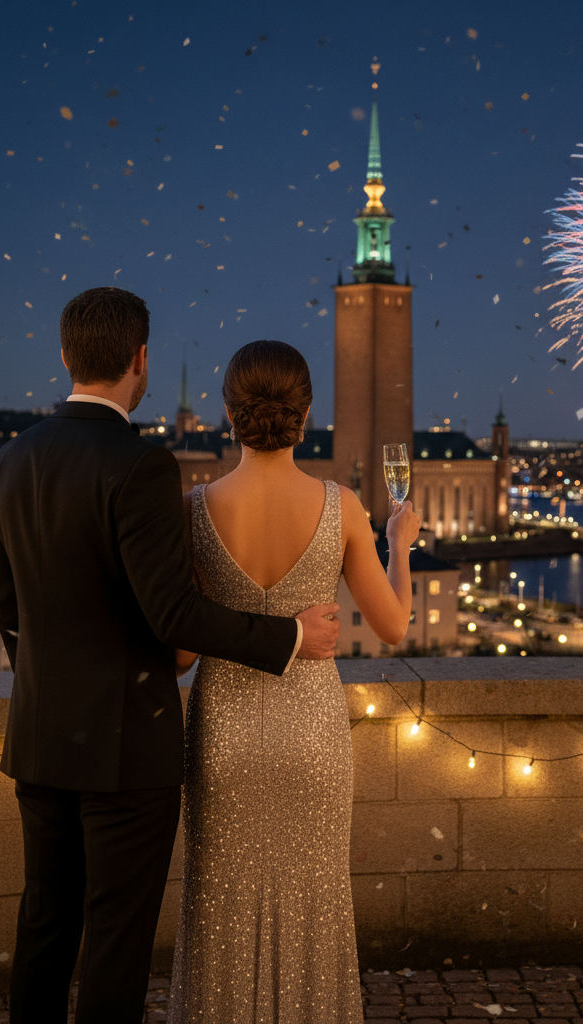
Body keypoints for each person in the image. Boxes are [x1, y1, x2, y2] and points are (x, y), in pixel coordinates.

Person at [0, 288, 340, 1024]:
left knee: (44, 928)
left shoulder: (12, 459)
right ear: (140, 361)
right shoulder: (141, 466)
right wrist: (293, 636)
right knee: (115, 942)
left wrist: (53, 694)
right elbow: (172, 612)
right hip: (124, 752)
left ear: (65, 357)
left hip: (40, 740)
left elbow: (11, 613)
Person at [168, 340, 420, 1023]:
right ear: (305, 416)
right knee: (315, 904)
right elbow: (393, 625)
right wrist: (400, 543)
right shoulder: (342, 507)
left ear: (229, 414)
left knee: (219, 907)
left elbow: (185, 655)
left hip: (223, 737)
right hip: (312, 736)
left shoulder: (194, 510)